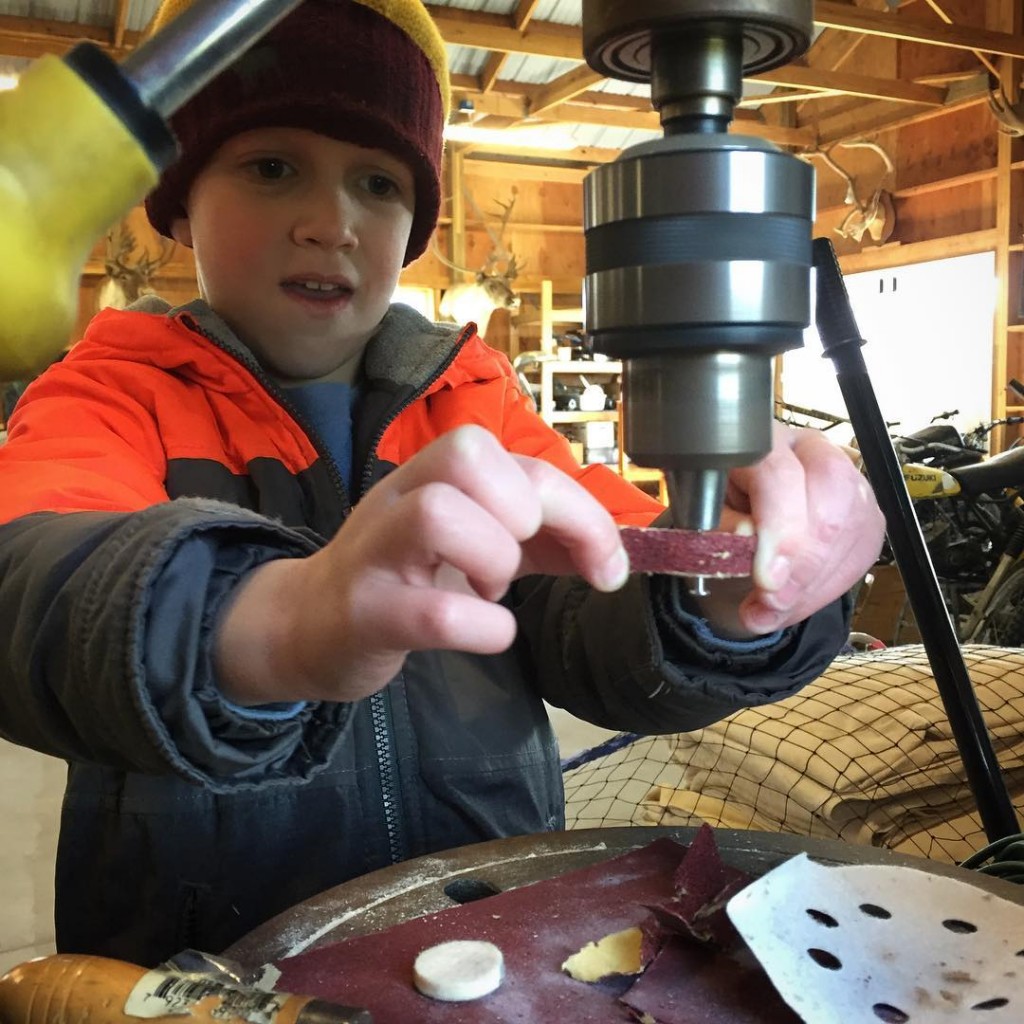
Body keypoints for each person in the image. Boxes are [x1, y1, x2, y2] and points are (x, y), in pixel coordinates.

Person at [0, 0, 884, 966]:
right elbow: (31, 590)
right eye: (271, 167)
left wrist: (741, 580)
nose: (330, 223)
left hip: (487, 941)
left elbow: (609, 600)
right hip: (218, 964)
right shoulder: (111, 392)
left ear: (412, 222)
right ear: (178, 206)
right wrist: (278, 625)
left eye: (377, 183)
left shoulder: (476, 401)